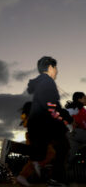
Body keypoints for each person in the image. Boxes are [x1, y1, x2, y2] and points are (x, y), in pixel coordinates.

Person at [27, 56, 73, 186]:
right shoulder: (47, 82)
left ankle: (45, 169)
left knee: (61, 148)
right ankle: (55, 178)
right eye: (55, 68)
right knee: (63, 148)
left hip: (40, 123)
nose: (57, 71)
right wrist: (67, 118)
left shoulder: (41, 83)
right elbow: (51, 105)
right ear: (50, 68)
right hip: (47, 124)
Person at [16, 101, 56, 186]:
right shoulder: (33, 117)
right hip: (36, 139)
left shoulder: (28, 117)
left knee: (36, 158)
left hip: (33, 139)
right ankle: (37, 165)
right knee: (50, 153)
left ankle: (22, 176)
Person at [65, 92, 86, 164]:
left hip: (70, 134)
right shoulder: (76, 109)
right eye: (84, 98)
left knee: (73, 152)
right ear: (79, 99)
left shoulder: (75, 109)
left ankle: (67, 166)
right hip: (74, 132)